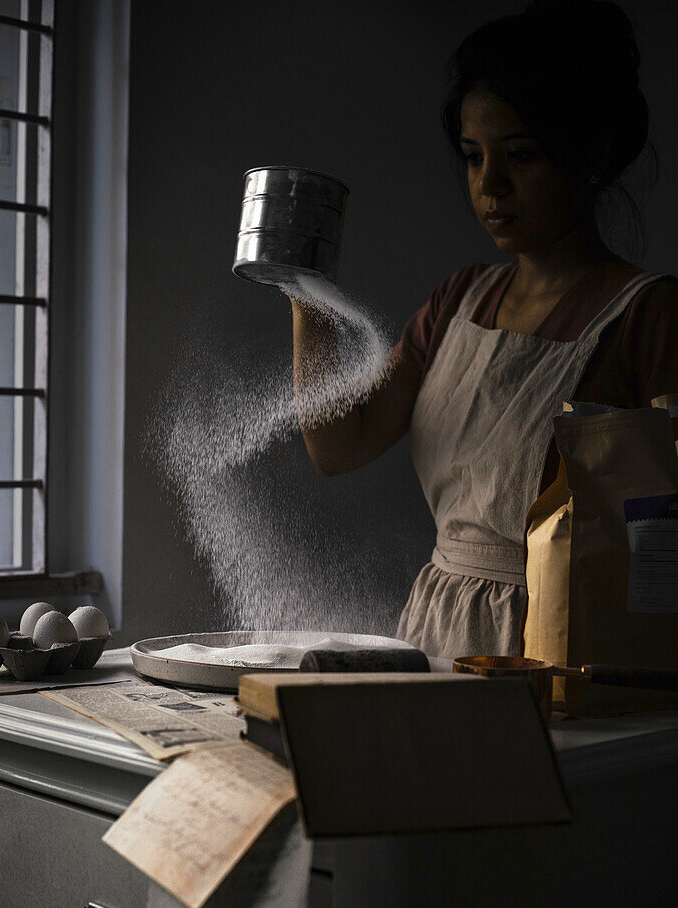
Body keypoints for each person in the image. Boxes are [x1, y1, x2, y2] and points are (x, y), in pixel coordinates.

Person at [289, 0, 678, 669]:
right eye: (472, 158)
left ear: (593, 153)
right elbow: (338, 443)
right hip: (437, 632)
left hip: (564, 650)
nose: (489, 185)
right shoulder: (458, 302)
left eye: (520, 155)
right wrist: (302, 290)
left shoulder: (646, 315)